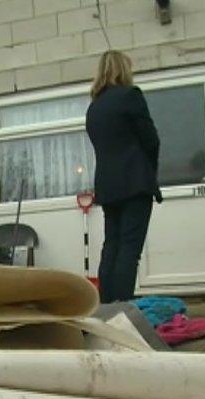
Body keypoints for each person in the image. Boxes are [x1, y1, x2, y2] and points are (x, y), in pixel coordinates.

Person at [85, 50, 162, 304]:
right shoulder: (131, 96)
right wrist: (150, 172)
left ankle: (106, 305)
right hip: (135, 182)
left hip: (108, 185)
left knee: (112, 247)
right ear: (124, 69)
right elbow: (151, 140)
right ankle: (123, 307)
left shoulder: (94, 107)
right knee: (130, 250)